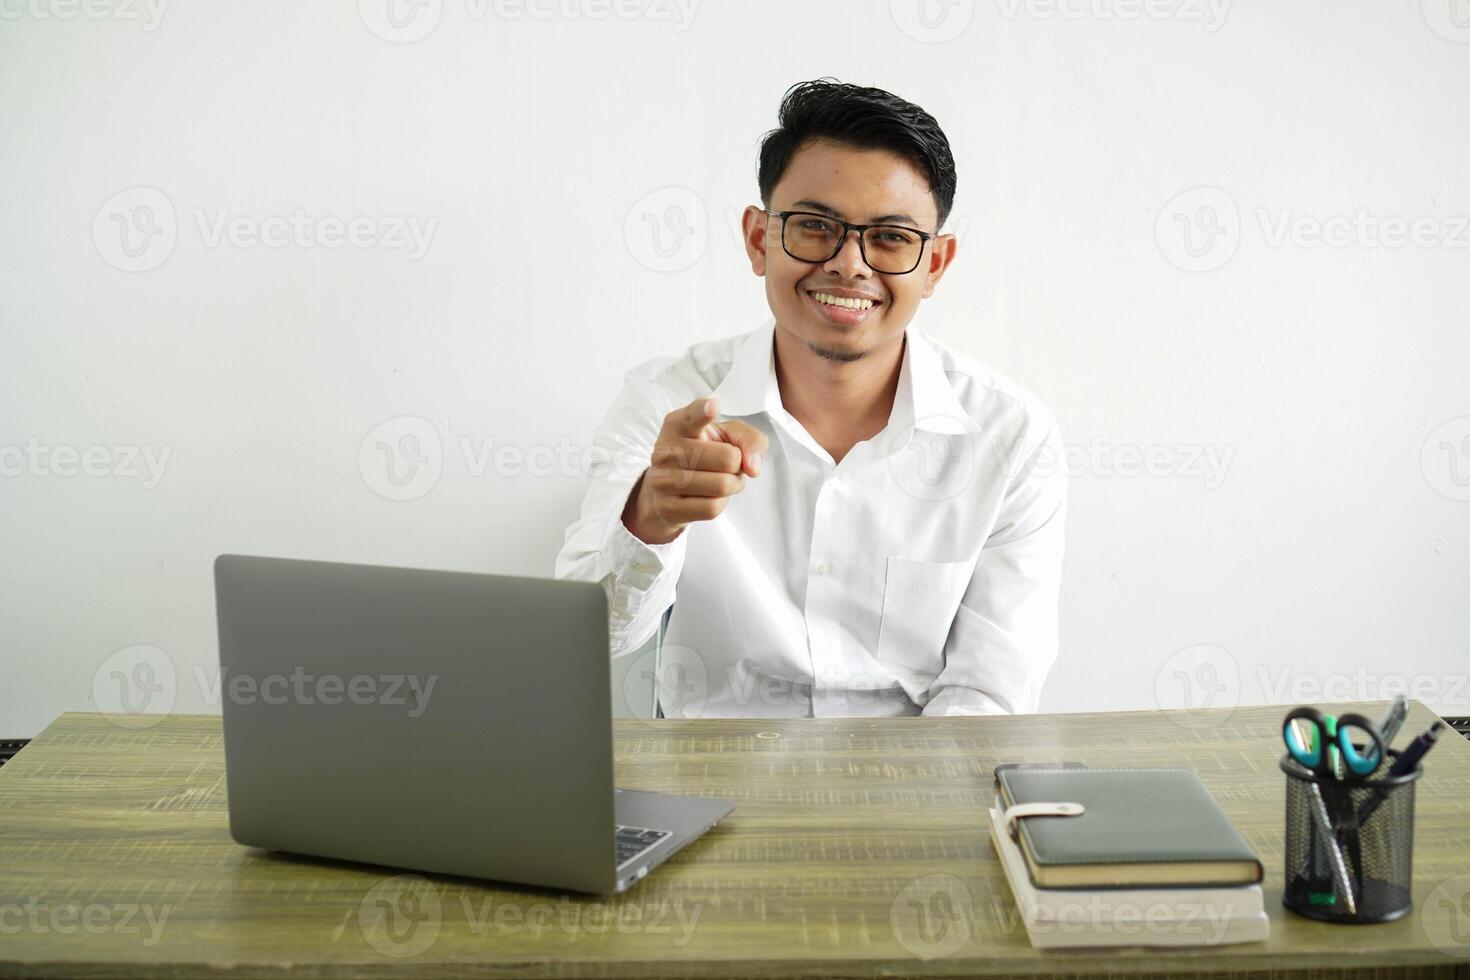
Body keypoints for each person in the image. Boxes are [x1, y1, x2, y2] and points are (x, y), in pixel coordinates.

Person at [556, 79, 1066, 718]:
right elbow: (583, 642)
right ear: (757, 239)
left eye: (890, 238)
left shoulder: (1009, 436)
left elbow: (991, 691)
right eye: (816, 226)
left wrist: (908, 809)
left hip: (919, 789)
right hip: (714, 784)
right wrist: (649, 520)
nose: (850, 265)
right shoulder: (668, 403)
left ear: (935, 264)